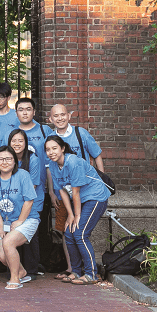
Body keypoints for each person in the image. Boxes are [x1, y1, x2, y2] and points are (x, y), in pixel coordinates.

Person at [46, 103, 105, 278]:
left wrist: (75, 216)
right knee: (69, 233)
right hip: (73, 197)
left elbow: (76, 191)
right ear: (50, 119)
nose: (50, 151)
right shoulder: (53, 161)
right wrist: (70, 214)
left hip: (91, 195)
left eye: (54, 149)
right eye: (48, 150)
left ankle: (91, 274)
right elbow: (63, 191)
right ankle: (75, 271)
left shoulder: (73, 158)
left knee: (78, 232)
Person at [0, 145, 41, 289]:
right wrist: (0, 227)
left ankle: (15, 279)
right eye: (0, 159)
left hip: (28, 219)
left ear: (15, 162)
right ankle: (22, 271)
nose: (4, 162)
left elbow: (29, 200)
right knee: (2, 256)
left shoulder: (23, 175)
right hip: (7, 222)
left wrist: (20, 221)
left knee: (8, 243)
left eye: (8, 159)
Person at [7, 129, 44, 278]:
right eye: (14, 141)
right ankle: (16, 268)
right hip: (14, 202)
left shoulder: (33, 160)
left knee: (29, 236)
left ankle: (32, 269)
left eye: (20, 141)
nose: (17, 144)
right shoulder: (8, 158)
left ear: (26, 143)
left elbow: (32, 187)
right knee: (14, 233)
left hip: (31, 201)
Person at [15, 97, 52, 162]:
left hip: (41, 171)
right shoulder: (11, 133)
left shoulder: (45, 130)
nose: (25, 113)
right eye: (21, 110)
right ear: (16, 113)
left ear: (34, 112)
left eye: (28, 109)